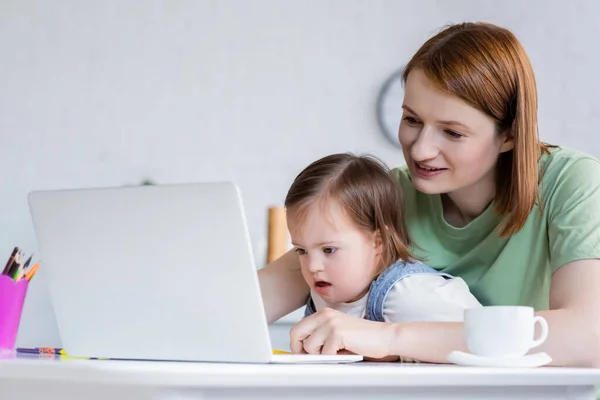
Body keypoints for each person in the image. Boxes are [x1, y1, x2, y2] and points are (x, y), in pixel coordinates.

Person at [258, 21, 600, 367]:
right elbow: (250, 301)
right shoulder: (389, 194)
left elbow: (588, 338)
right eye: (412, 120)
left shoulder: (572, 182)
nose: (421, 151)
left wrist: (388, 337)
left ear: (509, 134)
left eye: (452, 133)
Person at [283, 153, 481, 361]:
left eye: (329, 250)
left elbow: (490, 342)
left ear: (378, 243)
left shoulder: (408, 295)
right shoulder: (326, 288)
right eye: (302, 250)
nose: (313, 266)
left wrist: (391, 341)